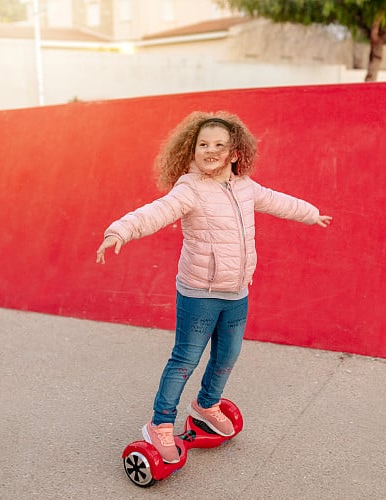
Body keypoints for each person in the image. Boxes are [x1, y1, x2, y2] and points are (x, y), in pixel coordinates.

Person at [96, 111, 331, 463]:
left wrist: (310, 213)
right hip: (200, 293)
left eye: (219, 145)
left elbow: (280, 202)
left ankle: (206, 404)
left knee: (227, 355)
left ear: (235, 153)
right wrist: (120, 230)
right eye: (203, 144)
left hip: (237, 292)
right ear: (192, 151)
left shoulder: (246, 187)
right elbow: (156, 211)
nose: (210, 150)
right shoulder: (190, 189)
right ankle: (159, 423)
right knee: (185, 359)